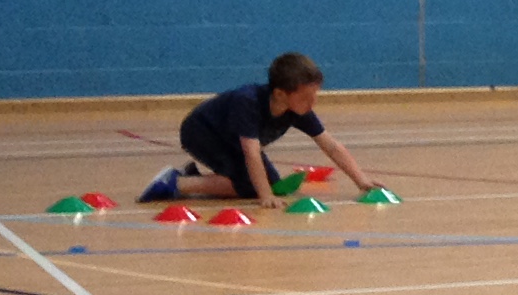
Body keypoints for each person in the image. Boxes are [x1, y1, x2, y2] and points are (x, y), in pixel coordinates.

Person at [142, 54, 376, 205]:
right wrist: (265, 196)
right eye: (306, 96)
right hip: (202, 134)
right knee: (250, 187)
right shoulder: (248, 102)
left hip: (230, 141)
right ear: (280, 94)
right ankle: (175, 183)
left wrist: (362, 181)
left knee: (271, 182)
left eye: (315, 94)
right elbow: (251, 152)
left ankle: (195, 176)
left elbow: (331, 146)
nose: (313, 102)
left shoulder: (297, 110)